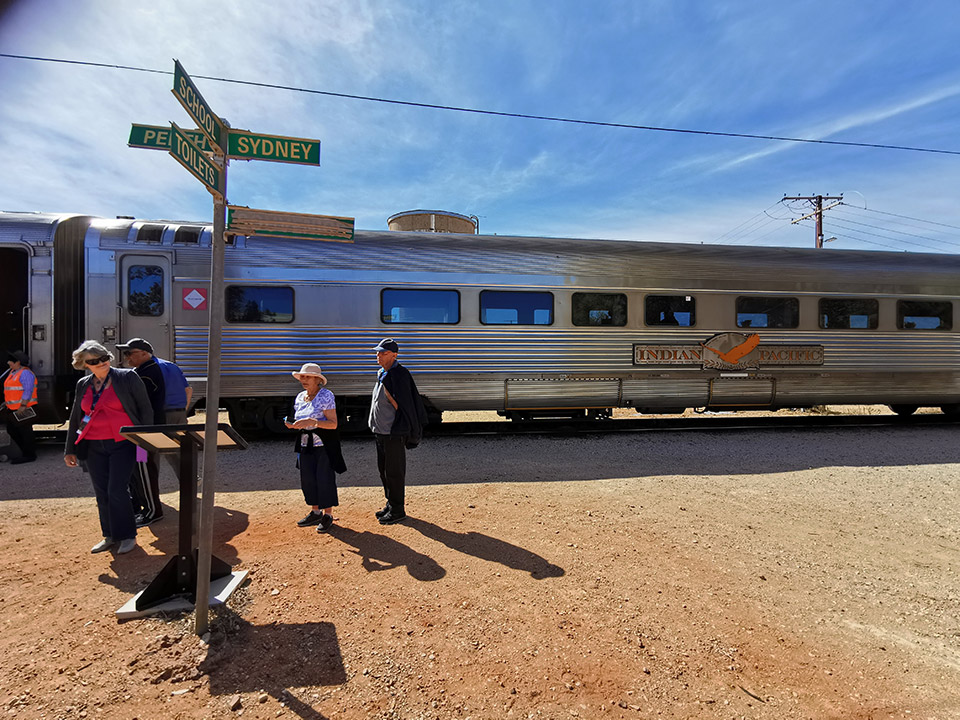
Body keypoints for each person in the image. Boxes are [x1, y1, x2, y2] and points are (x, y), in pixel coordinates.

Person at [63, 340, 152, 555]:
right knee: (101, 492)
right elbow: (76, 416)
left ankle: (127, 535)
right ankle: (110, 535)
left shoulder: (127, 377)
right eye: (95, 361)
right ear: (85, 364)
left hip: (123, 442)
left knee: (116, 489)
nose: (102, 363)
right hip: (93, 444)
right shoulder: (83, 384)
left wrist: (145, 442)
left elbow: (145, 409)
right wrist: (69, 449)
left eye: (104, 358)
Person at [368, 338, 428, 525]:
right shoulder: (383, 373)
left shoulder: (399, 374)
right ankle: (390, 503)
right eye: (377, 352)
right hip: (381, 431)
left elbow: (404, 405)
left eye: (383, 353)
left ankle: (398, 510)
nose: (378, 355)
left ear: (394, 355)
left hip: (393, 432)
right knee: (384, 471)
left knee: (394, 472)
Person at [285, 363, 346, 533]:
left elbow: (333, 424)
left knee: (324, 479)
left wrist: (313, 422)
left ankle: (328, 515)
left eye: (307, 377)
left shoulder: (326, 395)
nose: (303, 380)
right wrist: (293, 425)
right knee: (308, 479)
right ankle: (315, 511)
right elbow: (300, 419)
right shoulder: (300, 397)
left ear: (317, 380)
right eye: (302, 377)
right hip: (305, 444)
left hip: (323, 445)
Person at [116, 338, 166, 527]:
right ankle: (143, 508)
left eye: (130, 353)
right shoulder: (142, 371)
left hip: (145, 432)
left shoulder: (148, 373)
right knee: (138, 471)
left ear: (144, 354)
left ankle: (153, 511)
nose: (126, 357)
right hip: (141, 431)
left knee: (144, 470)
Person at [2, 350, 38, 464]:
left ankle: (29, 455)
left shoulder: (25, 373)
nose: (8, 363)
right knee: (13, 430)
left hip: (24, 408)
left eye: (11, 361)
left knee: (25, 432)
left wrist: (23, 405)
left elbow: (28, 390)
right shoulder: (13, 372)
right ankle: (25, 453)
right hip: (13, 408)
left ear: (18, 362)